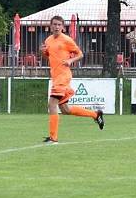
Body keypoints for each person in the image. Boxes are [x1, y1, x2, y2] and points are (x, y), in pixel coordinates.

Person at [40, 15, 104, 144]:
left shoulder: (67, 40)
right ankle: (96, 115)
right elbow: (48, 56)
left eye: (59, 25)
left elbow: (80, 54)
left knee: (52, 104)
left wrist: (70, 60)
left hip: (63, 76)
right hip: (55, 76)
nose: (57, 27)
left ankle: (53, 138)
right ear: (51, 26)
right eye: (54, 24)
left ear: (63, 27)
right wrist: (42, 52)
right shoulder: (48, 40)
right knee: (65, 110)